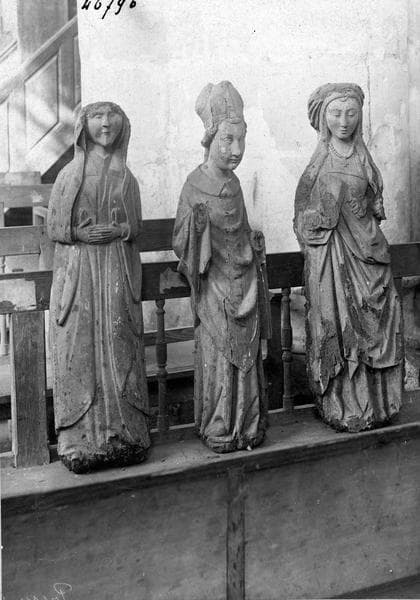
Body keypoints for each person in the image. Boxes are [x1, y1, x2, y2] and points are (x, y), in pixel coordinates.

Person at [294, 83, 403, 432]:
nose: (344, 121)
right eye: (336, 113)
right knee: (341, 330)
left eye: (351, 113)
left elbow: (375, 208)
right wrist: (322, 217)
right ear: (323, 118)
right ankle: (343, 404)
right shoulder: (318, 165)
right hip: (332, 261)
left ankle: (379, 404)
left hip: (368, 257)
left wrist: (362, 208)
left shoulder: (364, 161)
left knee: (378, 324)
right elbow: (301, 218)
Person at [47, 102, 150, 472]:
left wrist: (120, 229)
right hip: (81, 275)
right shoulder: (69, 176)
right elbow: (55, 226)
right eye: (97, 117)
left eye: (113, 116)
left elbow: (136, 225)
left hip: (116, 270)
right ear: (83, 126)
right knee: (81, 347)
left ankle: (127, 432)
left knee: (119, 341)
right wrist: (79, 233)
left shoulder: (126, 177)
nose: (106, 123)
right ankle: (78, 439)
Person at [173, 81, 271, 453]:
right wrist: (196, 227)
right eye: (228, 140)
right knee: (217, 356)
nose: (236, 150)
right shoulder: (194, 184)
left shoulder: (235, 184)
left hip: (243, 282)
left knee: (246, 357)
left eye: (241, 140)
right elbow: (180, 241)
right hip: (213, 288)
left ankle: (247, 424)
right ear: (211, 138)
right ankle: (218, 424)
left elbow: (240, 231)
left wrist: (252, 241)